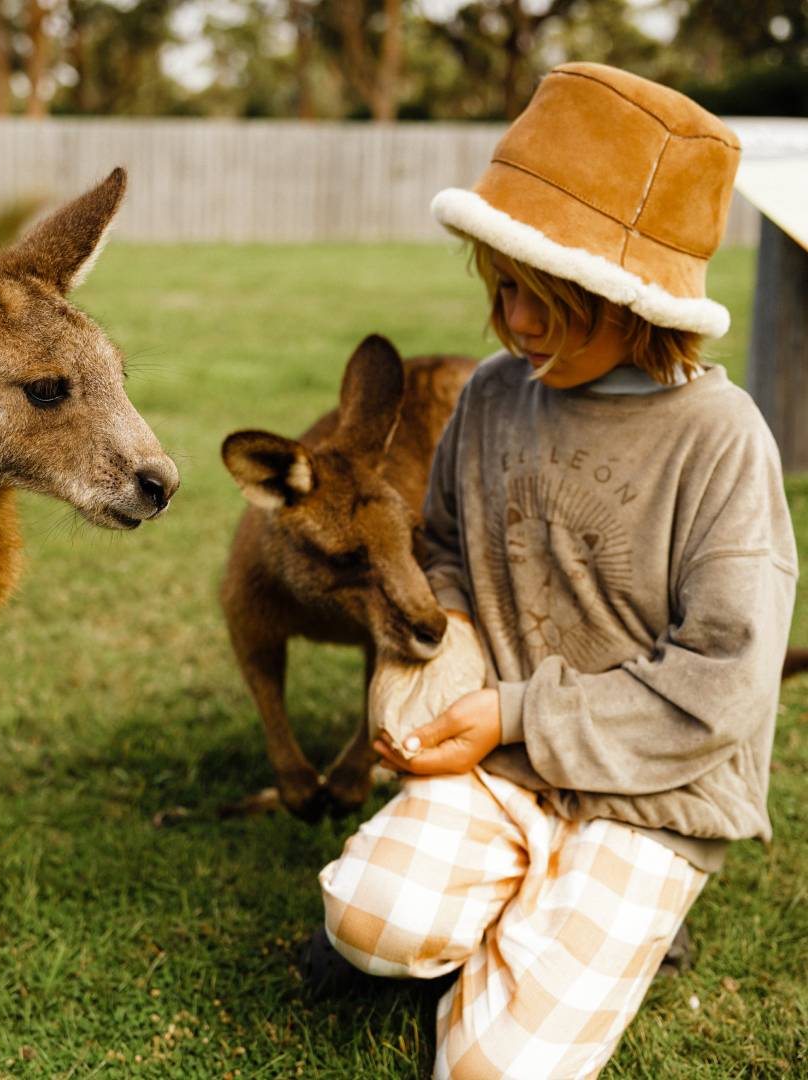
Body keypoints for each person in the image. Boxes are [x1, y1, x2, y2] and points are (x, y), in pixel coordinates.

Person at [315, 63, 798, 1079]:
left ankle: (603, 906)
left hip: (653, 793)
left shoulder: (720, 439)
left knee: (495, 1068)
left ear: (641, 300)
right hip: (503, 769)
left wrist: (520, 715)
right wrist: (439, 675)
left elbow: (725, 680)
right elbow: (445, 549)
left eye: (550, 301)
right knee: (367, 919)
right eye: (499, 289)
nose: (515, 326)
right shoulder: (493, 397)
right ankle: (537, 902)